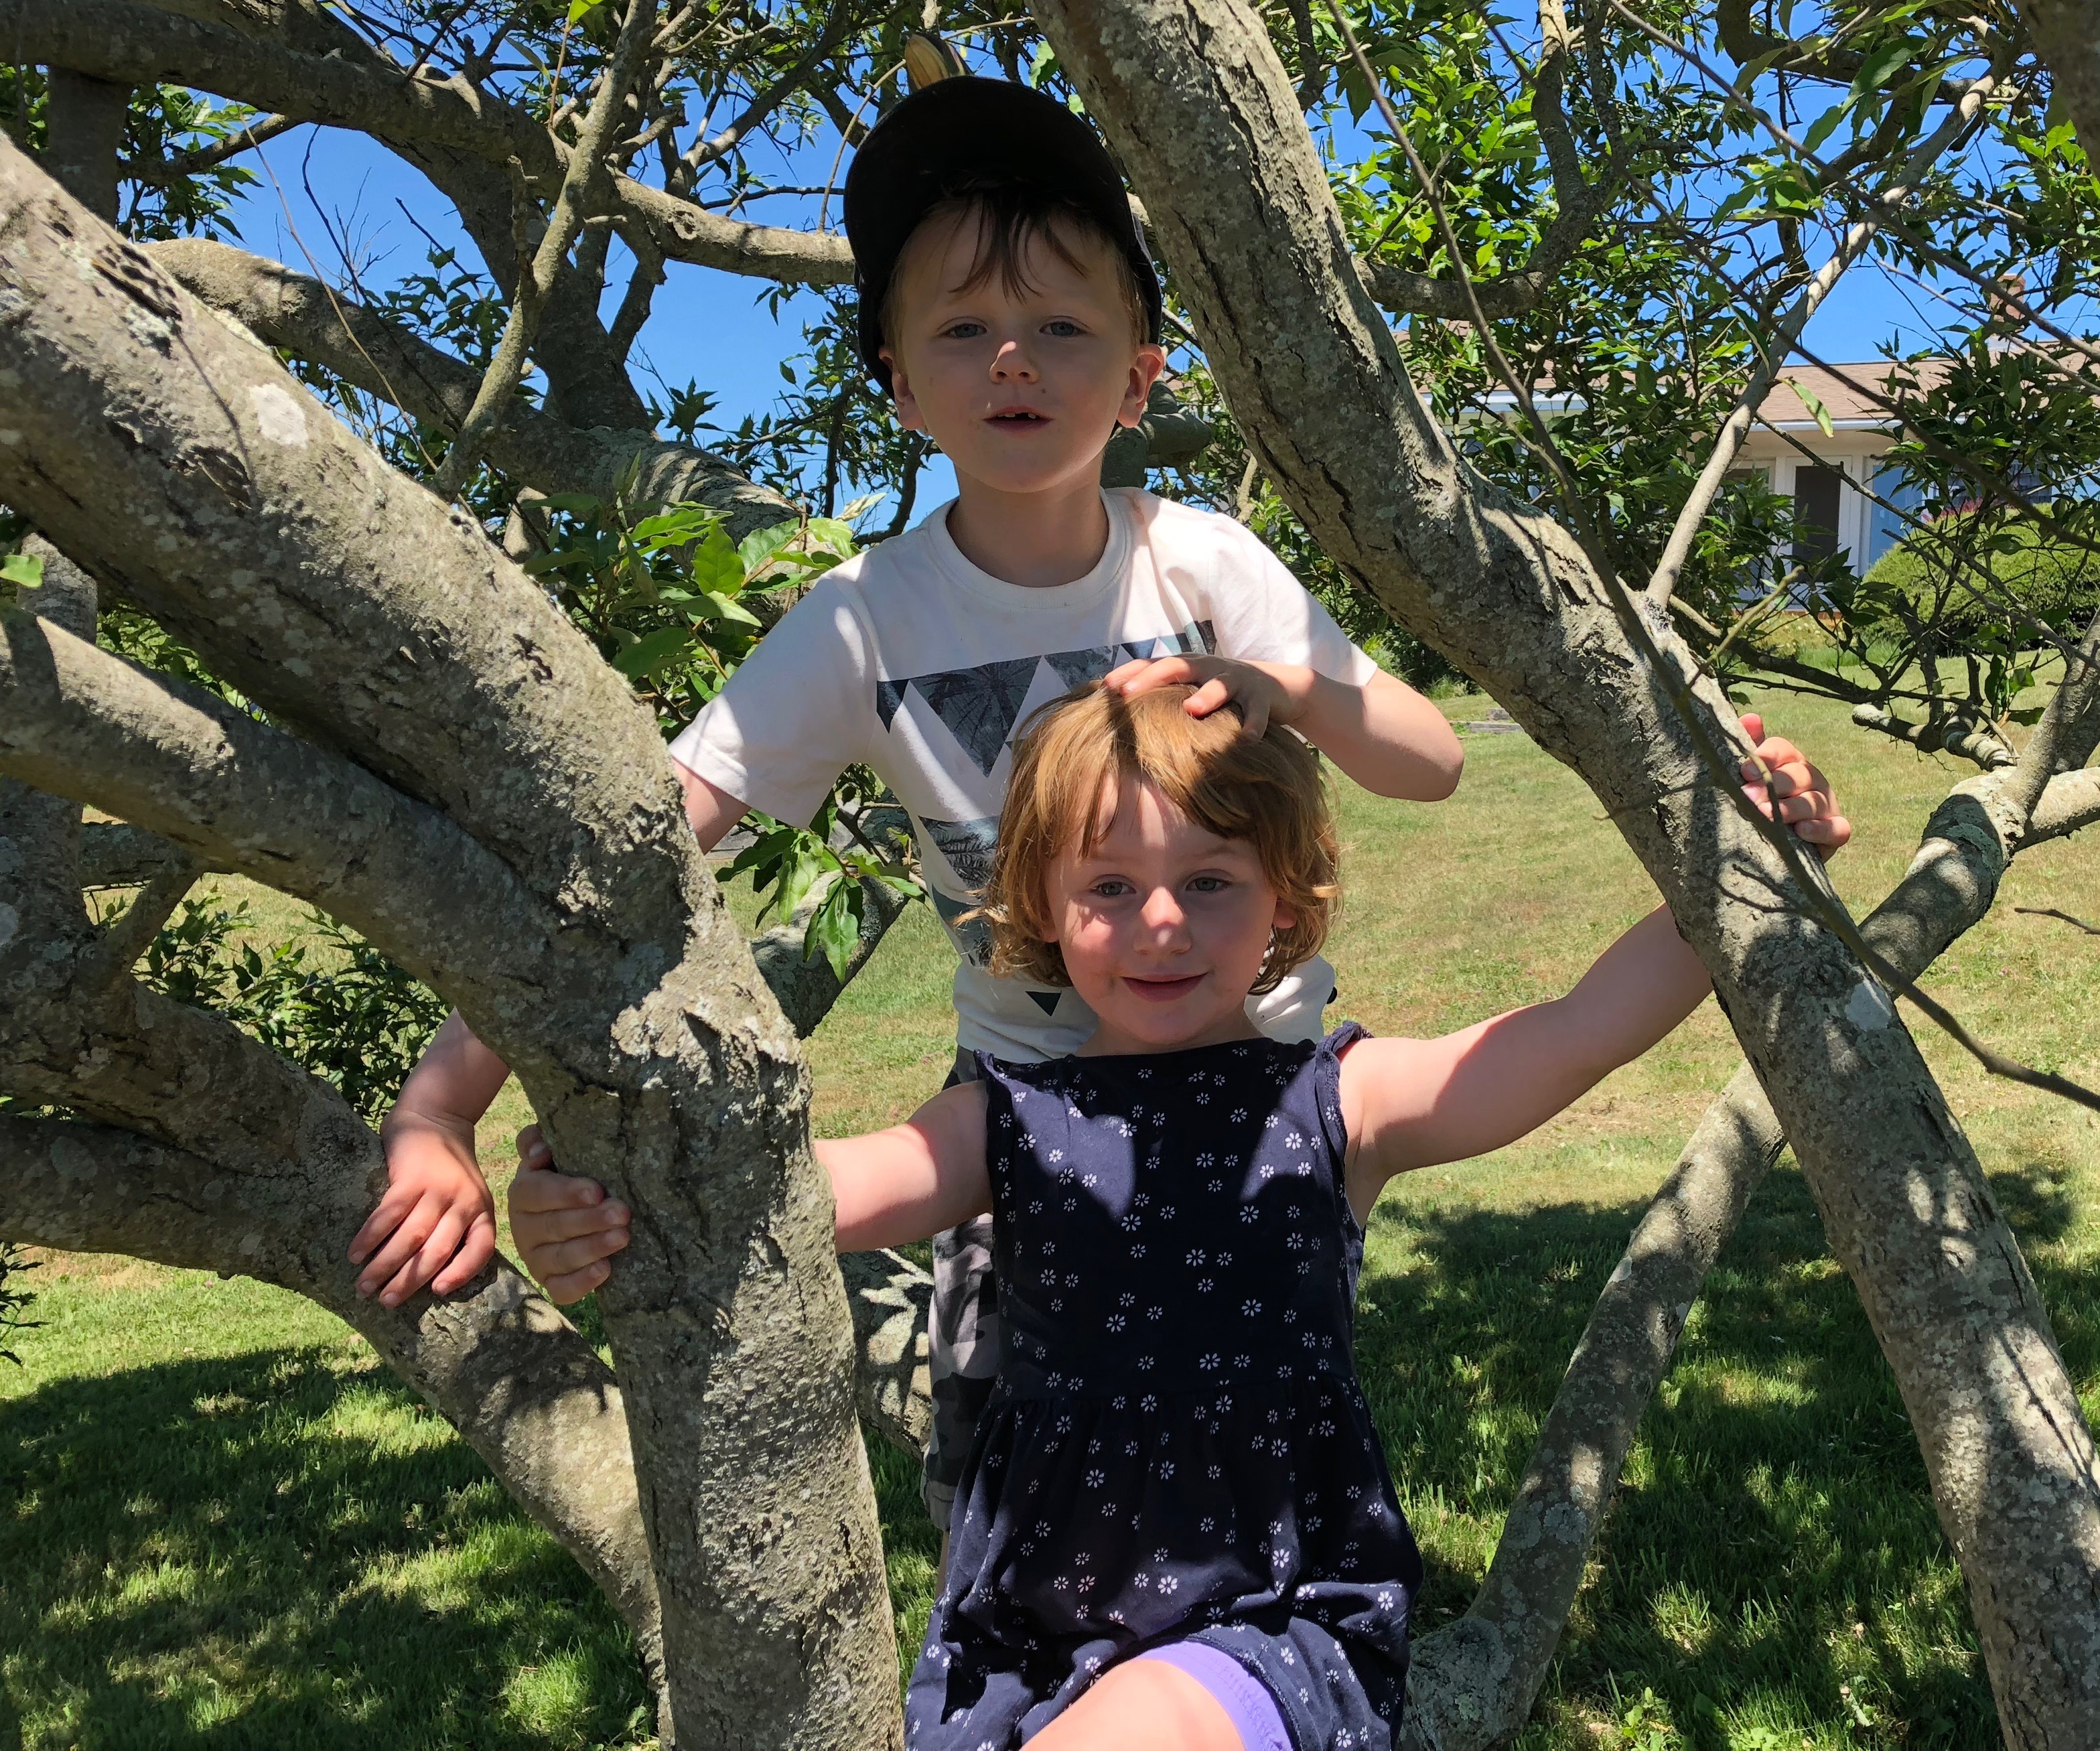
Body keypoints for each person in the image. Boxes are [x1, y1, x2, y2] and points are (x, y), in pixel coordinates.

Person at [348, 76, 1468, 1541]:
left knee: (1254, 1478)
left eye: (1066, 326)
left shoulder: (1205, 566)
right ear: (897, 380)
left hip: (1253, 1091)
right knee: (1012, 1490)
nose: (1015, 356)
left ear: (1142, 372)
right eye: (961, 328)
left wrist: (1286, 685)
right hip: (1018, 1113)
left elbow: (1428, 763)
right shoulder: (863, 626)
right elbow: (630, 853)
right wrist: (441, 1106)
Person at [508, 681, 1849, 1751]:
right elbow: (781, 1204)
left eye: (1211, 882)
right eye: (1109, 887)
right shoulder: (1005, 1124)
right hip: (1020, 1639)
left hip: (1268, 1616)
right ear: (1038, 906)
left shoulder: (1339, 1101)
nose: (1161, 923)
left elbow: (1569, 1038)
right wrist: (580, 1193)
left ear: (1286, 902)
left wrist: (1740, 866)